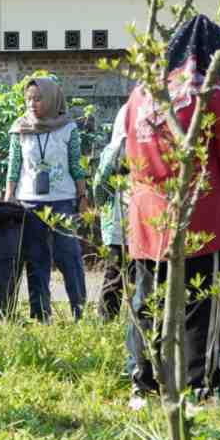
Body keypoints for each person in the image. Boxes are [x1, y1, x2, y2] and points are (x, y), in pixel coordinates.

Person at [125, 15, 220, 397]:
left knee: (150, 303)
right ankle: (200, 387)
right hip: (200, 220)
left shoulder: (142, 95)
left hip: (149, 219)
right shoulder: (210, 96)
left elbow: (130, 156)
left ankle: (146, 382)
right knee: (206, 307)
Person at [4, 77, 89, 321]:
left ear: (51, 99)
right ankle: (41, 314)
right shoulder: (19, 127)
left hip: (62, 201)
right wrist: (9, 197)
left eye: (38, 98)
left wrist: (82, 195)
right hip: (28, 202)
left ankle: (79, 312)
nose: (32, 103)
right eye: (29, 98)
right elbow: (14, 167)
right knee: (36, 259)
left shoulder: (68, 128)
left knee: (69, 256)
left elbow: (75, 165)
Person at [93, 103, 131, 322]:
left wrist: (103, 206)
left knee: (115, 274)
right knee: (121, 273)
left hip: (119, 221)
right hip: (121, 222)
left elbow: (99, 186)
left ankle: (107, 319)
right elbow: (101, 185)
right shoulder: (116, 149)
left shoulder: (113, 149)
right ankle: (107, 319)